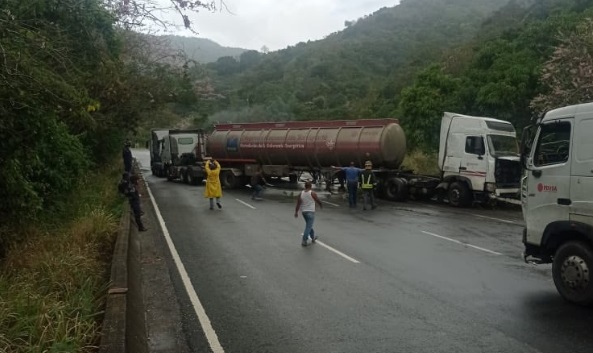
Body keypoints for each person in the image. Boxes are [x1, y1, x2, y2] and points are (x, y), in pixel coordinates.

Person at [294, 181, 323, 247]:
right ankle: (304, 240)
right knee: (308, 226)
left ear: (305, 186)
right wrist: (321, 205)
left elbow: (298, 203)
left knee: (309, 225)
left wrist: (296, 212)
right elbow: (317, 200)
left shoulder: (301, 193)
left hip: (304, 212)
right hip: (311, 212)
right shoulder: (312, 193)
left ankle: (313, 237)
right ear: (311, 186)